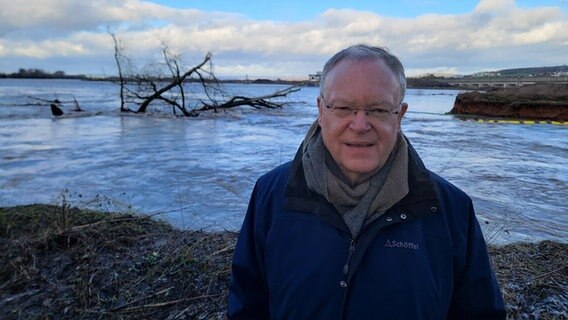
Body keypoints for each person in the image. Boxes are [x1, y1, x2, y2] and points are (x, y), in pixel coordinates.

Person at [227, 44, 506, 319]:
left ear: (400, 116)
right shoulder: (272, 194)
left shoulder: (450, 209)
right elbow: (247, 304)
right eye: (344, 107)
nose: (360, 125)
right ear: (321, 111)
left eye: (378, 110)